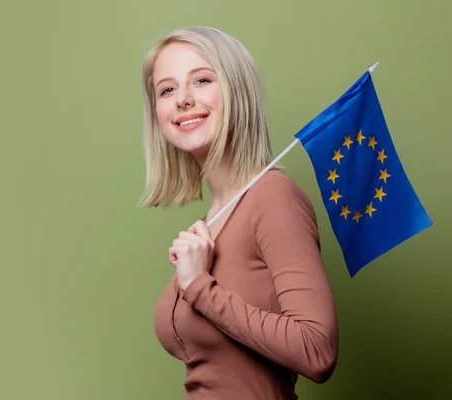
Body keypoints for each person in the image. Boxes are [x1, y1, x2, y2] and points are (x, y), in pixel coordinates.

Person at [138, 26, 339, 400]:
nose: (182, 99)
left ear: (236, 91)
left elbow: (317, 350)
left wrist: (199, 288)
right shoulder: (211, 221)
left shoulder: (273, 197)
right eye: (167, 89)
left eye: (201, 80)